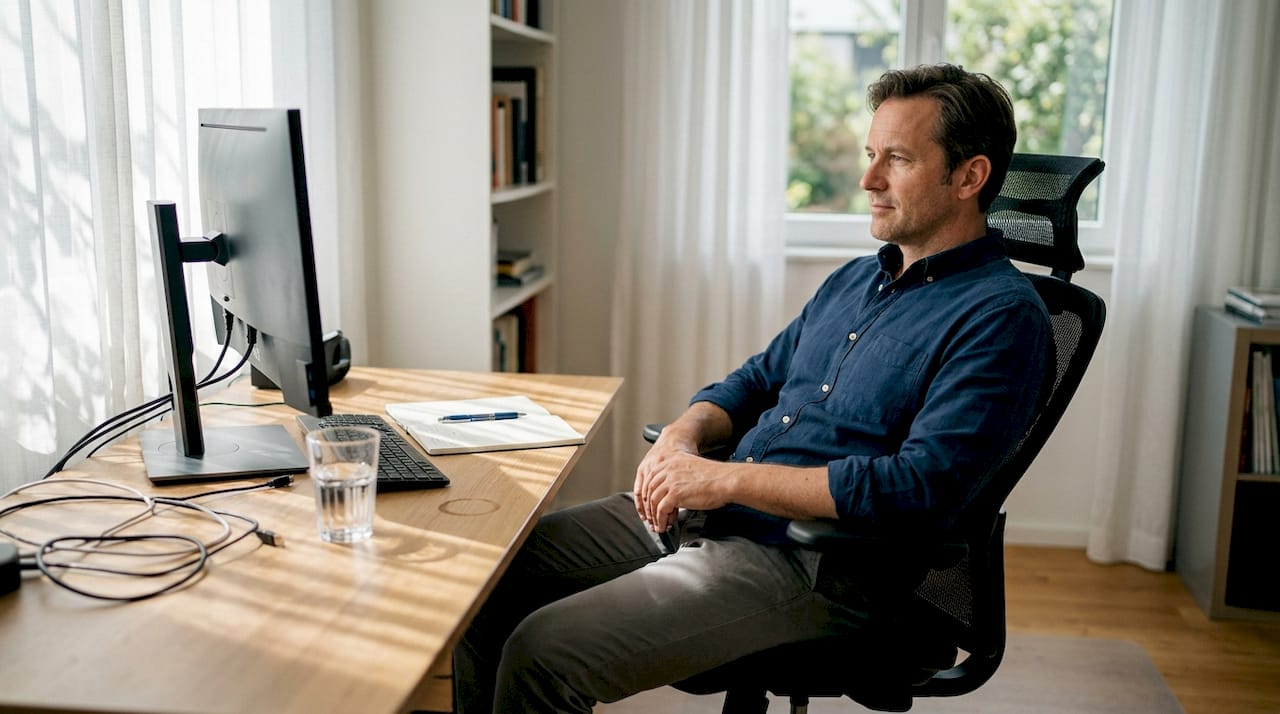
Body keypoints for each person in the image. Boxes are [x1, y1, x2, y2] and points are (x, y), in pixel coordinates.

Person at [454, 63, 1051, 714]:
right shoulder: (856, 280)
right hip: (712, 516)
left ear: (969, 176)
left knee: (544, 654)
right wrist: (682, 439)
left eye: (897, 160)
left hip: (814, 563)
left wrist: (725, 481)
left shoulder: (1001, 319)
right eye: (870, 155)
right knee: (480, 585)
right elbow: (757, 380)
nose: (868, 180)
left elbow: (917, 489)